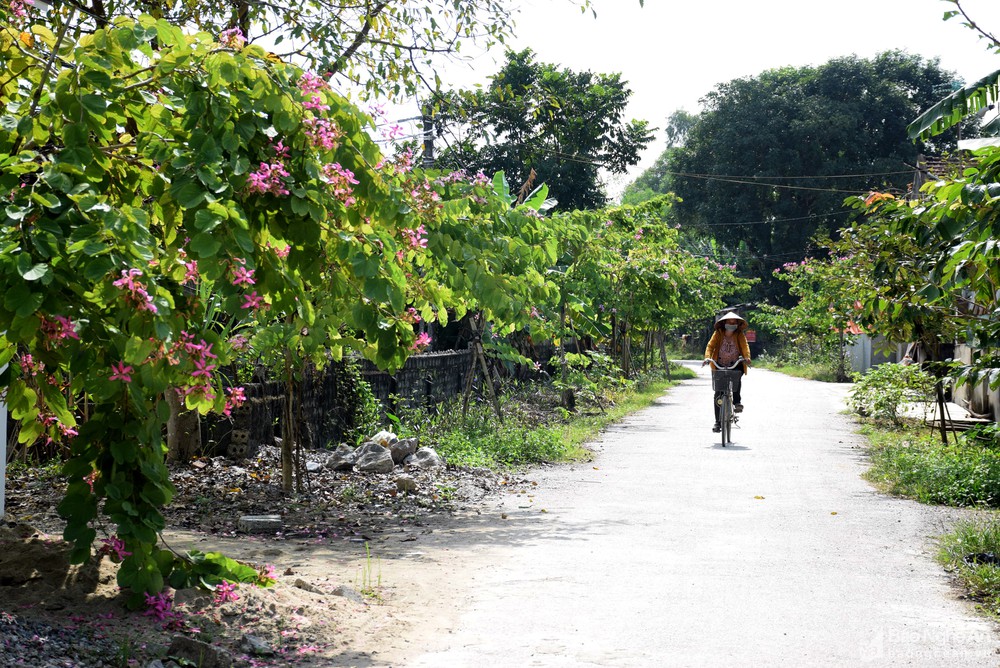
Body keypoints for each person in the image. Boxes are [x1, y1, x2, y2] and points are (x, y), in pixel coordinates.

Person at [702, 311, 752, 433]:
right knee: (718, 393)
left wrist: (747, 357)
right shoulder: (718, 333)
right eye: (729, 322)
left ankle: (737, 402)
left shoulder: (739, 334)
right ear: (724, 323)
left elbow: (745, 346)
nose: (731, 323)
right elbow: (710, 346)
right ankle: (717, 422)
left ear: (737, 324)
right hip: (719, 364)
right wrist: (707, 357)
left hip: (734, 364)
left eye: (734, 322)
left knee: (737, 378)